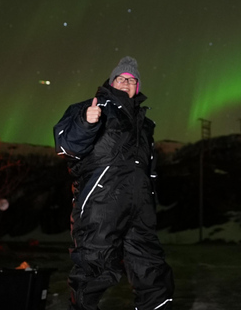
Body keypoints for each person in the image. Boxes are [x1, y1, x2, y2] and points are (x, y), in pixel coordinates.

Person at [53, 56, 174, 310]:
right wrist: (87, 123)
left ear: (137, 88)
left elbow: (149, 170)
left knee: (151, 270)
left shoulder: (145, 124)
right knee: (94, 268)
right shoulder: (89, 108)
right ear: (111, 82)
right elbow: (67, 147)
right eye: (121, 78)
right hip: (101, 203)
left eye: (132, 81)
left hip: (139, 208)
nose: (126, 83)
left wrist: (150, 200)